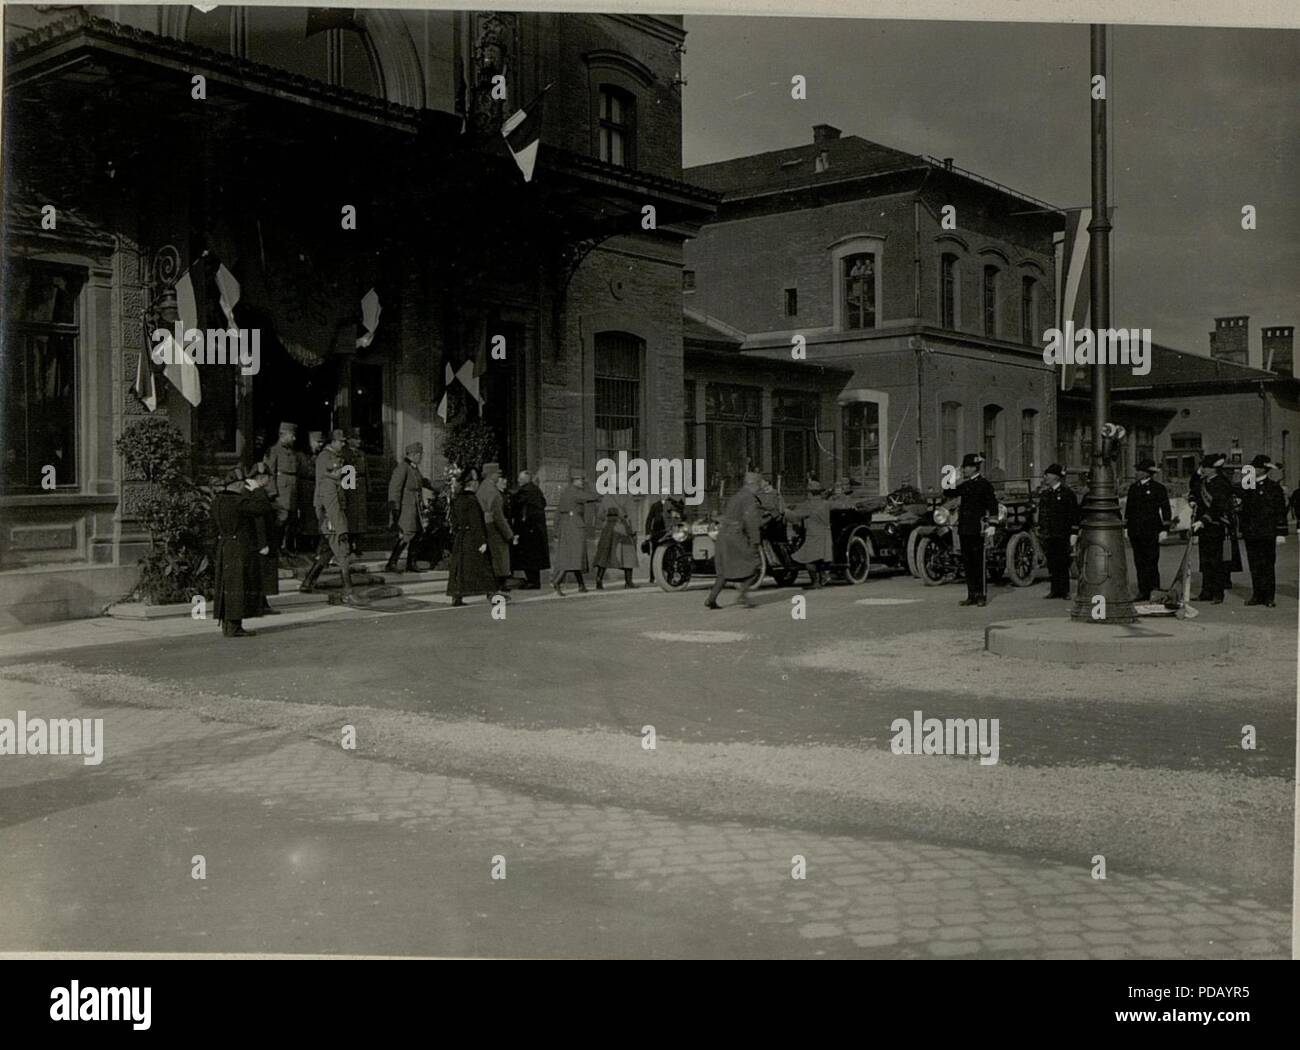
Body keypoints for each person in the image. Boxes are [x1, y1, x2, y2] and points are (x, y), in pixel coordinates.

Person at [299, 429, 357, 604]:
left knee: (326, 552)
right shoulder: (328, 483)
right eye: (340, 442)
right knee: (342, 553)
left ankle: (308, 582)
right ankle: (348, 591)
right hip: (332, 521)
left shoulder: (334, 481)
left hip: (332, 518)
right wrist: (342, 529)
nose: (341, 469)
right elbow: (330, 508)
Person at [208, 467, 267, 637]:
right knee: (238, 586)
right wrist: (257, 490)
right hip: (239, 548)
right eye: (242, 484)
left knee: (226, 585)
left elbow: (211, 528)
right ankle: (234, 625)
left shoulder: (217, 501)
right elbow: (262, 508)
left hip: (224, 545)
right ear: (237, 484)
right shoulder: (238, 502)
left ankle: (228, 624)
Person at [944, 452, 1000, 607]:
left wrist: (993, 525)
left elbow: (992, 505)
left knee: (979, 563)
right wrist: (952, 477)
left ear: (975, 468)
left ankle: (981, 595)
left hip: (978, 528)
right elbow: (947, 492)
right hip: (964, 528)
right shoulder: (964, 484)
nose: (964, 470)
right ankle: (971, 595)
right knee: (968, 563)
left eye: (967, 467)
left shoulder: (984, 484)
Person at [706, 471, 763, 610]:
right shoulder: (749, 498)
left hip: (723, 536)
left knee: (725, 570)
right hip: (735, 537)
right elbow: (751, 521)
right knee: (754, 564)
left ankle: (711, 599)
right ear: (753, 485)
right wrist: (755, 541)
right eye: (758, 485)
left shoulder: (736, 496)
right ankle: (743, 595)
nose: (759, 488)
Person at [1238, 454, 1287, 607]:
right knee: (1254, 565)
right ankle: (1257, 595)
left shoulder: (1273, 487)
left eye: (1255, 467)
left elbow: (1280, 510)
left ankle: (1269, 597)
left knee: (1267, 565)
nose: (1252, 469)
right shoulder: (1248, 486)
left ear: (1262, 469)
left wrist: (1280, 532)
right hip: (1251, 533)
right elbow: (1242, 508)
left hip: (1268, 532)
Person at [447, 468, 498, 607]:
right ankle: (492, 594)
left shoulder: (457, 499)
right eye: (476, 481)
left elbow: (454, 521)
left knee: (460, 568)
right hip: (472, 538)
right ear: (472, 483)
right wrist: (482, 541)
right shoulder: (472, 500)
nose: (478, 483)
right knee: (483, 566)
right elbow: (476, 522)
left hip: (461, 537)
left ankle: (457, 596)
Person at [1123, 457, 1171, 601]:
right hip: (1135, 530)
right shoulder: (1133, 488)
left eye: (1139, 470)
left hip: (1151, 530)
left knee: (1151, 560)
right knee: (1139, 561)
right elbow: (1129, 509)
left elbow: (1165, 509)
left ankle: (1154, 589)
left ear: (1146, 473)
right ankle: (1143, 590)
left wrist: (1165, 529)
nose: (1136, 473)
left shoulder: (1158, 488)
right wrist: (1126, 527)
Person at [1189, 453, 1234, 604]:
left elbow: (1218, 506)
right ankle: (1206, 591)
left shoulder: (1222, 483)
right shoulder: (1203, 482)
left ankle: (1218, 593)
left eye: (1206, 467)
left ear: (1214, 469)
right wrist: (1193, 500)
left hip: (1216, 525)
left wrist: (1203, 520)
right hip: (1204, 526)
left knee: (1216, 561)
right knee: (1205, 561)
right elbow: (1193, 489)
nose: (1203, 469)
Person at [1036, 463, 1080, 600]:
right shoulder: (1046, 494)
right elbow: (1042, 515)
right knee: (1052, 562)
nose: (1045, 477)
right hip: (1049, 534)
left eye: (1048, 475)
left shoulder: (1067, 494)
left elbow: (1073, 514)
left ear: (1055, 476)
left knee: (1063, 561)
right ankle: (1055, 590)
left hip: (1062, 534)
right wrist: (1041, 530)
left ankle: (1065, 590)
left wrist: (1074, 533)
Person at [552, 470, 597, 595]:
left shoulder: (566, 491)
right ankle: (557, 581)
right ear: (575, 481)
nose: (582, 482)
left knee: (575, 555)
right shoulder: (575, 492)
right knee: (573, 556)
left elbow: (557, 512)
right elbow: (593, 497)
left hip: (567, 525)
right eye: (581, 480)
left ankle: (581, 585)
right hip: (575, 526)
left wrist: (556, 530)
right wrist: (589, 485)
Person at [385, 443, 426, 574]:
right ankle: (392, 562)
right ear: (412, 455)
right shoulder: (403, 468)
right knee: (407, 535)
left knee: (417, 534)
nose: (421, 457)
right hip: (406, 508)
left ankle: (411, 563)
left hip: (416, 508)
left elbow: (422, 482)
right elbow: (394, 490)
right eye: (419, 454)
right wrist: (395, 510)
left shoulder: (413, 468)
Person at [245, 463, 281, 614]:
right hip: (261, 540)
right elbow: (259, 519)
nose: (269, 480)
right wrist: (263, 543)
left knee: (261, 573)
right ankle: (260, 605)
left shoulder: (254, 492)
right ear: (261, 478)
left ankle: (262, 603)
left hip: (260, 539)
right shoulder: (257, 493)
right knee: (262, 573)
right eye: (267, 477)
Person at [477, 462, 516, 596]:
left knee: (492, 558)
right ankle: (496, 591)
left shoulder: (482, 488)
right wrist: (509, 534)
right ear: (491, 474)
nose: (498, 476)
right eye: (496, 474)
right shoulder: (493, 491)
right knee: (499, 559)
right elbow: (498, 516)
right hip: (494, 527)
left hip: (484, 525)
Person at [262, 421, 299, 556]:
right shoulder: (273, 450)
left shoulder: (292, 452)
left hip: (292, 492)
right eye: (292, 435)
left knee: (290, 521)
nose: (294, 438)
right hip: (280, 493)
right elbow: (269, 472)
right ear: (283, 435)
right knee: (280, 521)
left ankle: (285, 548)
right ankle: (275, 548)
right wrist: (272, 492)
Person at [509, 470, 550, 589]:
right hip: (536, 529)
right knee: (534, 557)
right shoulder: (536, 490)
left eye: (520, 479)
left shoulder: (525, 491)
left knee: (528, 556)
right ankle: (534, 581)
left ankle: (532, 582)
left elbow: (515, 505)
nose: (518, 481)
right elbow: (543, 503)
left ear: (525, 480)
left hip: (527, 529)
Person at [788, 480, 832, 588]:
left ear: (810, 493)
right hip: (826, 534)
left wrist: (786, 512)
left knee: (808, 559)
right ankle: (823, 576)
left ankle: (815, 582)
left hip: (814, 535)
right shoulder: (825, 503)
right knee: (821, 558)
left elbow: (795, 516)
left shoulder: (809, 505)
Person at [594, 491, 639, 589]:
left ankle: (598, 580)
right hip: (622, 528)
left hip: (608, 528)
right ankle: (628, 582)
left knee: (604, 555)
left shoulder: (607, 496)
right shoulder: (628, 496)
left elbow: (600, 515)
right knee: (628, 554)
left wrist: (607, 520)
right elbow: (632, 514)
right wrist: (634, 530)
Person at [644, 495, 684, 583]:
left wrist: (672, 500)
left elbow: (682, 510)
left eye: (666, 493)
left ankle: (670, 576)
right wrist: (647, 533)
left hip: (670, 532)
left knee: (670, 555)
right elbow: (649, 519)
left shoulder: (673, 504)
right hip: (657, 533)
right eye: (663, 493)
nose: (664, 495)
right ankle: (653, 577)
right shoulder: (655, 505)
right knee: (655, 555)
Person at [296, 430, 324, 553]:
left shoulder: (321, 456)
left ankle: (314, 545)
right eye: (318, 442)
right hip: (304, 490)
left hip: (317, 489)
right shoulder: (300, 456)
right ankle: (303, 546)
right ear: (310, 442)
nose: (320, 445)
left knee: (316, 519)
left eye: (321, 442)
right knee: (305, 520)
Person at [343, 427, 369, 557]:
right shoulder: (345, 454)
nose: (359, 441)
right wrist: (348, 491)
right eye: (356, 439)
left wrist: (368, 487)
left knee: (361, 518)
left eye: (359, 438)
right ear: (349, 440)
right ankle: (350, 544)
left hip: (361, 488)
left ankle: (358, 545)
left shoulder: (362, 454)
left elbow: (366, 472)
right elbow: (347, 475)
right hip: (351, 489)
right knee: (351, 517)